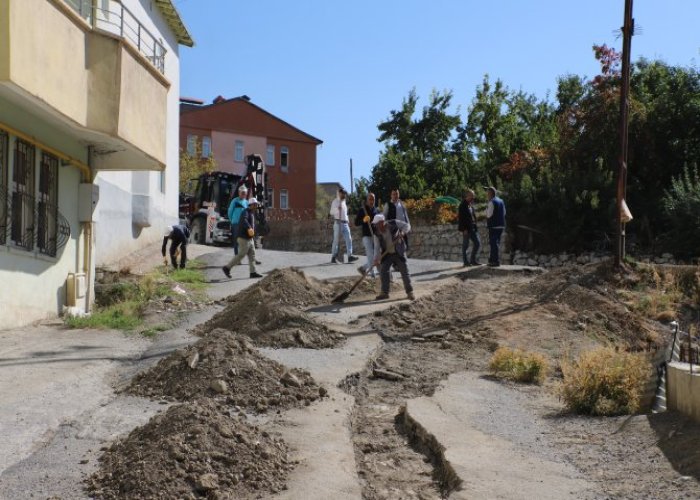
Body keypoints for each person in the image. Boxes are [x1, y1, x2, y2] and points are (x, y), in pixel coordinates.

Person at [372, 214, 414, 301]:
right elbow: (376, 247)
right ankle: (384, 293)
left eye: (377, 224)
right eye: (375, 224)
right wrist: (376, 258)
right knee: (383, 271)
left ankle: (410, 292)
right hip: (387, 254)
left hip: (399, 251)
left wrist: (402, 233)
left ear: (382, 222)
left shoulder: (394, 223)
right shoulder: (376, 233)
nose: (376, 226)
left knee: (404, 271)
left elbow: (407, 225)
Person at [222, 197, 263, 279]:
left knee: (252, 255)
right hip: (243, 238)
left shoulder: (251, 213)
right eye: (255, 205)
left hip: (249, 238)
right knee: (241, 254)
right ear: (251, 205)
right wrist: (249, 228)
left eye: (256, 205)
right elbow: (244, 221)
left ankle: (253, 272)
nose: (256, 206)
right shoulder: (246, 212)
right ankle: (227, 268)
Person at [329, 188, 358, 264]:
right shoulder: (335, 201)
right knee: (336, 240)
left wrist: (347, 221)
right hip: (338, 222)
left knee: (349, 238)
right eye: (343, 193)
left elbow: (345, 214)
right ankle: (333, 256)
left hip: (345, 223)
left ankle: (350, 256)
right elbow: (331, 212)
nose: (344, 194)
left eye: (345, 193)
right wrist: (337, 209)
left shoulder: (344, 202)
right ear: (340, 193)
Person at [354, 192, 379, 278]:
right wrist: (363, 220)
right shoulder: (362, 210)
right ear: (367, 200)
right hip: (366, 235)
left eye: (373, 199)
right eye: (370, 199)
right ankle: (372, 274)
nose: (372, 201)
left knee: (377, 256)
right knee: (370, 255)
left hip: (375, 235)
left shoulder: (376, 210)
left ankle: (363, 268)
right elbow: (356, 222)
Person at [458, 189, 481, 266]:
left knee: (477, 243)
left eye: (473, 195)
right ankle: (466, 262)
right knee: (465, 245)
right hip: (467, 229)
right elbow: (461, 219)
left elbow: (472, 216)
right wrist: (464, 229)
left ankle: (472, 260)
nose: (473, 197)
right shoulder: (462, 205)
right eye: (472, 195)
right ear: (467, 195)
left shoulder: (470, 204)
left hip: (473, 227)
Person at [484, 186, 506, 267]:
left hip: (493, 226)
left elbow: (489, 215)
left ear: (490, 193)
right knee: (496, 243)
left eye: (487, 193)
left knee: (493, 243)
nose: (487, 195)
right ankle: (492, 260)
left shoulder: (491, 202)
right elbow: (504, 213)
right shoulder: (501, 201)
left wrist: (486, 210)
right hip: (501, 225)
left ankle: (495, 261)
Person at [228, 184, 248, 255]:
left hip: (243, 224)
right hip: (236, 223)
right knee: (236, 240)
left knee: (243, 241)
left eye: (245, 193)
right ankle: (236, 256)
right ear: (239, 193)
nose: (243, 195)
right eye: (242, 193)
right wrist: (232, 220)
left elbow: (247, 214)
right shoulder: (235, 201)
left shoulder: (246, 202)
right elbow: (230, 211)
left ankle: (241, 255)